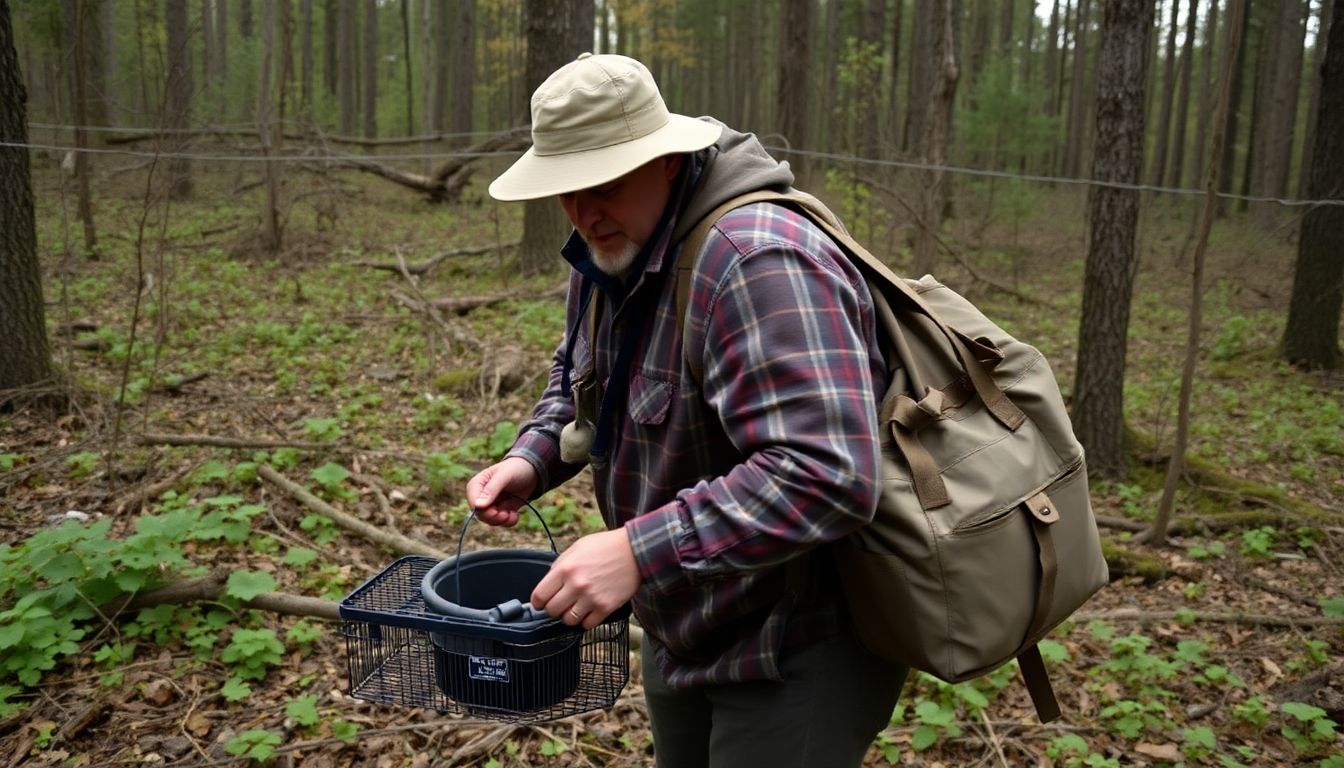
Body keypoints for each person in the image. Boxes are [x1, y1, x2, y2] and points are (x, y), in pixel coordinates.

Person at [466, 53, 907, 768]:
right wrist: (533, 457)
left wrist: (639, 549)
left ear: (668, 161)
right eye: (566, 191)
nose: (583, 213)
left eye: (603, 183)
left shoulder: (757, 262)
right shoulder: (613, 248)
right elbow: (579, 375)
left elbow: (830, 473)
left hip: (792, 646)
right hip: (687, 620)